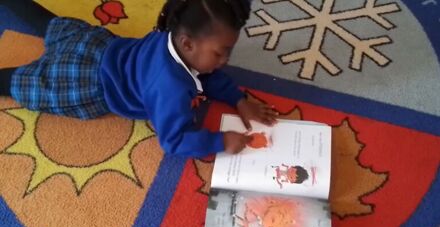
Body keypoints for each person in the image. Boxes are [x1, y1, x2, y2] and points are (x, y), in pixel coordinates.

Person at [0, 0, 278, 158]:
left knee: (51, 24)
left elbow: (208, 75)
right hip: (83, 81)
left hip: (96, 45)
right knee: (21, 83)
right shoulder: (171, 88)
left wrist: (239, 100)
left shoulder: (171, 38)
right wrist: (220, 141)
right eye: (220, 53)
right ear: (188, 44)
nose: (225, 61)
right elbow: (174, 140)